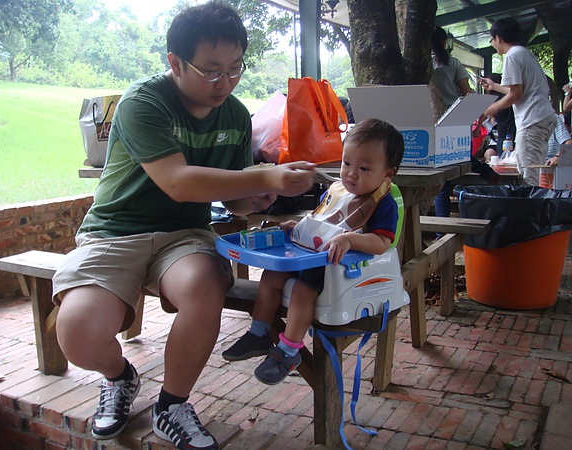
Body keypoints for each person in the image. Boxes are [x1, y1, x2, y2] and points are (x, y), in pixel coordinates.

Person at [51, 3, 316, 449]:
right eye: (211, 70)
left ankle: (171, 404)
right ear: (175, 62)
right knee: (76, 331)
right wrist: (264, 176)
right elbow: (177, 182)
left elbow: (229, 197)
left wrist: (255, 195)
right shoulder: (144, 102)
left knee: (204, 284)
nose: (225, 83)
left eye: (235, 69)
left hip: (183, 236)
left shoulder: (234, 115)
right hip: (115, 231)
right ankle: (119, 377)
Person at [221, 118, 404, 385]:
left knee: (303, 290)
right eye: (346, 163)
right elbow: (324, 220)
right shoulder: (338, 191)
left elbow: (382, 243)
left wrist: (350, 240)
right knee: (271, 276)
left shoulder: (382, 203)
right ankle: (258, 332)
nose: (351, 173)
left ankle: (288, 350)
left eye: (364, 168)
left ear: (388, 173)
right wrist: (301, 228)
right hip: (311, 254)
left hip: (338, 266)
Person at [430, 26, 499, 224]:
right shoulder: (452, 63)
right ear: (444, 42)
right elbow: (467, 93)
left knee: (442, 180)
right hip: (454, 120)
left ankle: (440, 229)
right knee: (458, 159)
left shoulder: (421, 64)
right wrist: (476, 118)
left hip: (431, 122)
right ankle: (487, 172)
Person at [480, 18, 556, 186]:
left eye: (492, 40)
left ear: (498, 38)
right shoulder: (524, 53)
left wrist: (491, 109)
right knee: (534, 170)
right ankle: (536, 209)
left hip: (532, 120)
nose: (493, 44)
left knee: (528, 175)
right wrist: (495, 86)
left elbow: (515, 95)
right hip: (542, 117)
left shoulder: (512, 56)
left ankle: (531, 211)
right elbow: (519, 90)